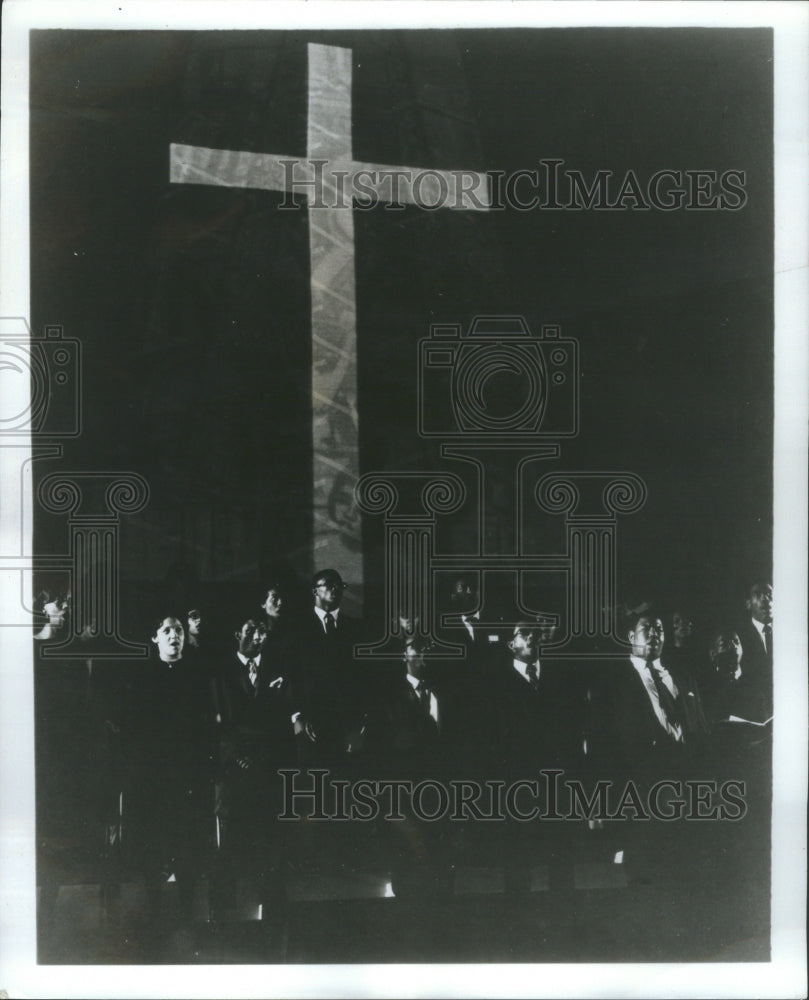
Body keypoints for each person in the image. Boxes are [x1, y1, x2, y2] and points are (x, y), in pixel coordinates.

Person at [121, 615, 217, 927]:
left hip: (190, 776)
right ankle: (155, 912)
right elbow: (134, 731)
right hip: (154, 779)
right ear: (155, 639)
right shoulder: (141, 677)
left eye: (178, 630)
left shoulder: (199, 676)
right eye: (166, 631)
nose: (174, 636)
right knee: (155, 845)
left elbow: (207, 729)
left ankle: (187, 911)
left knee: (189, 845)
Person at [212, 616, 292, 923]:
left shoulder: (275, 671)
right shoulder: (220, 672)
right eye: (250, 630)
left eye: (262, 632)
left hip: (266, 766)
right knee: (228, 838)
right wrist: (235, 756)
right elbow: (217, 720)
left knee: (269, 836)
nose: (257, 636)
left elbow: (281, 718)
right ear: (237, 633)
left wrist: (267, 759)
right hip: (232, 769)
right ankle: (222, 909)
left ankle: (272, 905)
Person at [286, 569, 368, 768]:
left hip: (347, 725)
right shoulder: (297, 628)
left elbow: (363, 678)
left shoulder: (355, 629)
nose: (336, 589)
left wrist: (360, 726)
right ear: (315, 591)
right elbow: (290, 673)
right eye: (330, 585)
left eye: (340, 586)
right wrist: (297, 716)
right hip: (310, 724)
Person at [735, 581, 773, 723]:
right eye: (758, 595)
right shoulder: (739, 639)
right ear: (748, 604)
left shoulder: (789, 633)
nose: (765, 599)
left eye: (769, 594)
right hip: (756, 716)